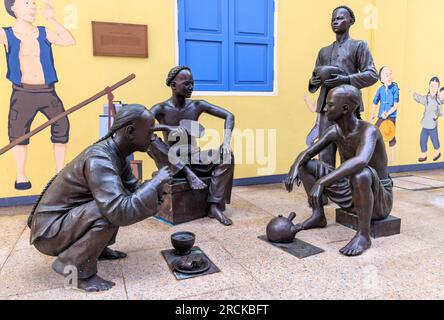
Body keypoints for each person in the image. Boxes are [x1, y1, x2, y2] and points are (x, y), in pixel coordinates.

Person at [28, 105, 173, 292]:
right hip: (50, 233)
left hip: (64, 223)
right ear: (130, 131)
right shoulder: (100, 159)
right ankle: (75, 270)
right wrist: (154, 183)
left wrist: (157, 186)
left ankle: (96, 250)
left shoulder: (118, 155)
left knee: (117, 198)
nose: (152, 137)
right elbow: (120, 211)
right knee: (110, 209)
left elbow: (134, 190)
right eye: (149, 132)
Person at [285, 85, 393, 257]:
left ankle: (364, 235)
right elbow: (308, 152)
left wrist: (322, 181)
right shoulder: (335, 131)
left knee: (361, 173)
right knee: (307, 165)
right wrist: (294, 167)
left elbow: (360, 161)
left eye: (330, 104)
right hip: (351, 187)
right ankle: (318, 215)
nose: (325, 108)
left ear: (345, 108)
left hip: (378, 199)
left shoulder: (369, 131)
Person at [0, 0, 76, 190]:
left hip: (47, 91)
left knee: (62, 124)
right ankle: (21, 175)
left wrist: (53, 19)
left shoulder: (43, 32)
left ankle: (59, 172)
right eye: (26, 3)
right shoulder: (6, 33)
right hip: (22, 92)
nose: (32, 7)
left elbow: (69, 41)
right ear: (13, 8)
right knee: (17, 132)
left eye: (33, 3)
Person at [147, 66, 235, 226]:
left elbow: (229, 115)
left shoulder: (197, 105)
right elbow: (142, 126)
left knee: (227, 155)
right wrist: (167, 128)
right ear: (173, 85)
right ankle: (187, 173)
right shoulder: (161, 108)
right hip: (171, 162)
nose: (191, 88)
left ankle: (213, 205)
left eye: (192, 84)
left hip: (194, 158)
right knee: (149, 140)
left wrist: (226, 142)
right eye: (186, 84)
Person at [308, 5, 378, 167]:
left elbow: (372, 75)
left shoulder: (359, 46)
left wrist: (346, 80)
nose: (335, 22)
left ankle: (350, 189)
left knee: (349, 150)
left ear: (351, 21)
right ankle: (328, 189)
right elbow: (314, 76)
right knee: (325, 151)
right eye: (333, 19)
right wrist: (313, 82)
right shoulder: (323, 52)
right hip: (326, 109)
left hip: (349, 109)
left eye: (340, 18)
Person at [369, 66, 400, 163]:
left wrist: (387, 113)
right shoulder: (380, 90)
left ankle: (392, 156)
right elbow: (375, 102)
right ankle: (373, 155)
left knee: (391, 135)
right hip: (381, 116)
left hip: (391, 116)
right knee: (374, 132)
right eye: (386, 75)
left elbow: (395, 106)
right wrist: (373, 114)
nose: (389, 76)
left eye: (390, 74)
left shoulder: (395, 89)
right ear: (381, 79)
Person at [409, 77, 442, 162]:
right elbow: (420, 98)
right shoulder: (426, 98)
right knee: (422, 140)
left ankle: (437, 153)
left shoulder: (438, 101)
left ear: (438, 88)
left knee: (435, 140)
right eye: (432, 85)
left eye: (435, 86)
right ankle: (424, 155)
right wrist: (413, 94)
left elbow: (440, 112)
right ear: (429, 86)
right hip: (425, 124)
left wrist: (437, 115)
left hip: (433, 125)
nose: (433, 88)